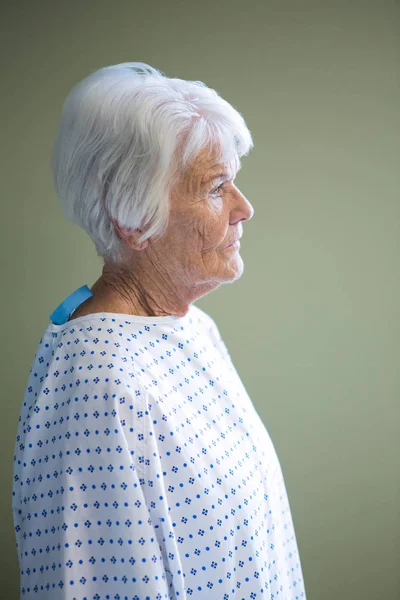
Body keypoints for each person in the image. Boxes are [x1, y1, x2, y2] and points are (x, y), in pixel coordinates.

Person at [12, 62, 307, 599]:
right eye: (217, 187)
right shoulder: (100, 387)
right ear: (132, 219)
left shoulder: (191, 327)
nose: (245, 208)